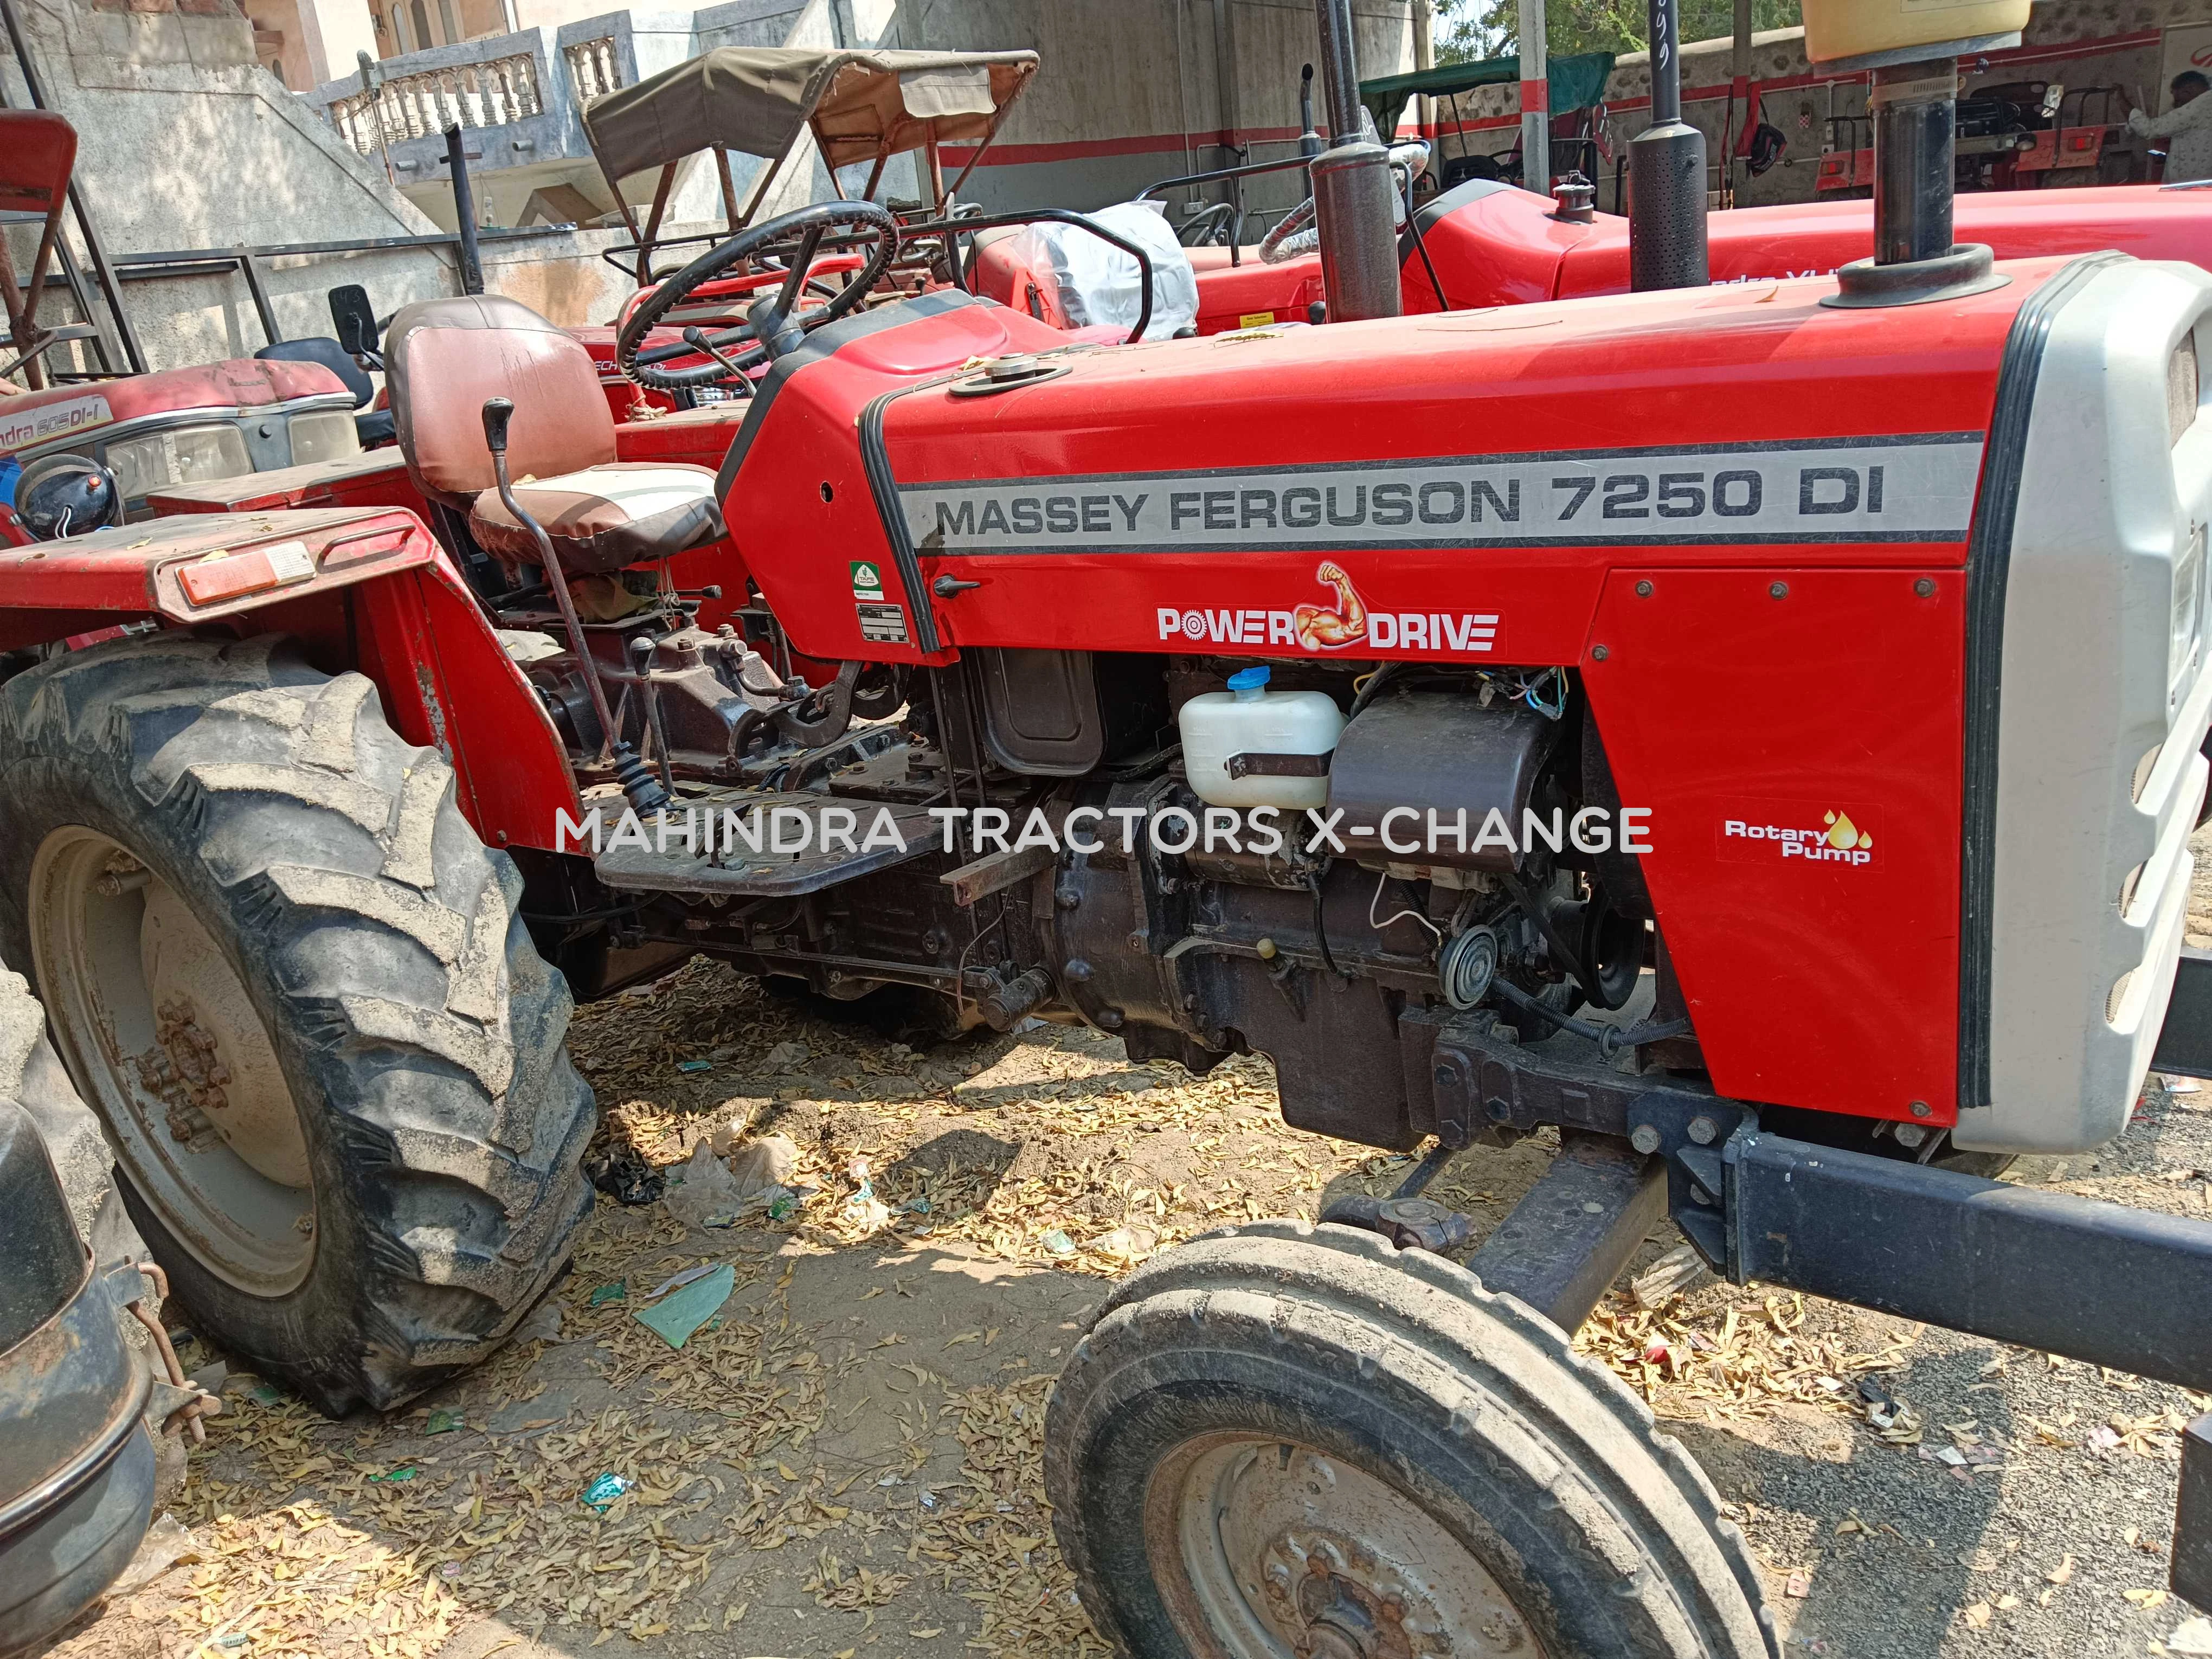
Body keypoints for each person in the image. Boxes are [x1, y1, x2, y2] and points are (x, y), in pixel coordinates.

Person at [2131, 69, 2212, 184]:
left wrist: (2121, 100)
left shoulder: (2199, 106)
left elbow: (2149, 129)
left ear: (2189, 90)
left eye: (2179, 100)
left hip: (2193, 185)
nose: (2177, 105)